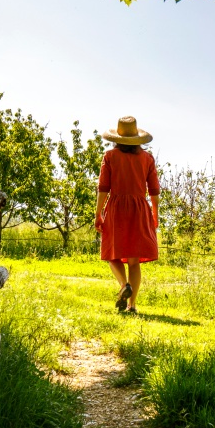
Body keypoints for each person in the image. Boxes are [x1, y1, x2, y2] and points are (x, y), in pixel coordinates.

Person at [95, 116, 159, 314]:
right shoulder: (147, 159)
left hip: (116, 207)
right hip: (140, 209)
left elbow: (103, 188)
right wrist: (155, 213)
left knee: (110, 253)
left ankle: (123, 286)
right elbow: (154, 190)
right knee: (134, 260)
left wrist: (98, 213)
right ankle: (132, 305)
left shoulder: (110, 156)